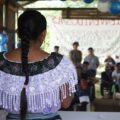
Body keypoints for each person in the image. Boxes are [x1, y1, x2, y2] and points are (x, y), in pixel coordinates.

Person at [0, 10, 77, 120]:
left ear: (19, 33)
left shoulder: (1, 61)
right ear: (43, 34)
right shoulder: (58, 63)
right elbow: (65, 103)